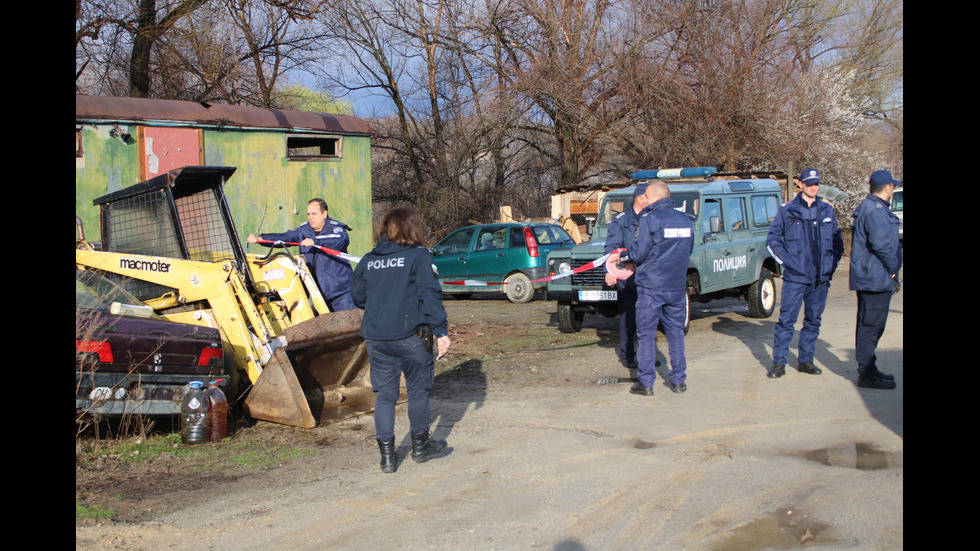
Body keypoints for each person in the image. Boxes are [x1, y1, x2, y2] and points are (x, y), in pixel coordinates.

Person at [351, 207, 452, 473]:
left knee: (385, 395)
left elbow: (358, 297)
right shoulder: (419, 256)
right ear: (411, 228)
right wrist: (441, 331)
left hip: (376, 337)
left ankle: (387, 458)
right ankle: (420, 446)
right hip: (410, 337)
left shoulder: (368, 259)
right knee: (418, 391)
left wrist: (382, 305)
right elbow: (430, 295)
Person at [613, 181, 694, 396]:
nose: (644, 201)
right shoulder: (685, 220)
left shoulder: (651, 219)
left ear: (656, 197)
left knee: (646, 334)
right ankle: (678, 381)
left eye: (647, 197)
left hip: (652, 286)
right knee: (676, 333)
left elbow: (638, 253)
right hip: (676, 286)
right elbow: (689, 249)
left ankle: (646, 383)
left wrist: (622, 256)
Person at [765, 168, 844, 379]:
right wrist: (789, 264)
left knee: (812, 321)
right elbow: (772, 241)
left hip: (820, 279)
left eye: (816, 183)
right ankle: (779, 362)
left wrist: (830, 266)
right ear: (800, 183)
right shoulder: (787, 211)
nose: (813, 187)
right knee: (786, 321)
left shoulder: (827, 210)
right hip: (795, 279)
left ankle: (806, 361)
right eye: (809, 183)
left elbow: (837, 244)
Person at [248, 199, 355, 311]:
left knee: (349, 326)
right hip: (318, 295)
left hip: (342, 294)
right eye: (308, 214)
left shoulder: (336, 229)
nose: (310, 217)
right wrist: (261, 239)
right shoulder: (304, 230)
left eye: (314, 214)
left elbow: (339, 240)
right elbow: (285, 237)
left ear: (324, 214)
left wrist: (315, 241)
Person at [849, 170, 902, 390]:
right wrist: (893, 269)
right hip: (875, 277)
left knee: (871, 325)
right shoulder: (874, 210)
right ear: (888, 187)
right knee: (871, 326)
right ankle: (867, 373)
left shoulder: (871, 207)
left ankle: (869, 369)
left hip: (873, 276)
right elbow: (882, 245)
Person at [604, 184, 650, 369]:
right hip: (628, 277)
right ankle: (627, 354)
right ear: (641, 198)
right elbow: (611, 248)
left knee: (647, 319)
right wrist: (609, 271)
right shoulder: (621, 221)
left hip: (647, 278)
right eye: (650, 197)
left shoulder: (651, 218)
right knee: (628, 318)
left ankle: (647, 355)